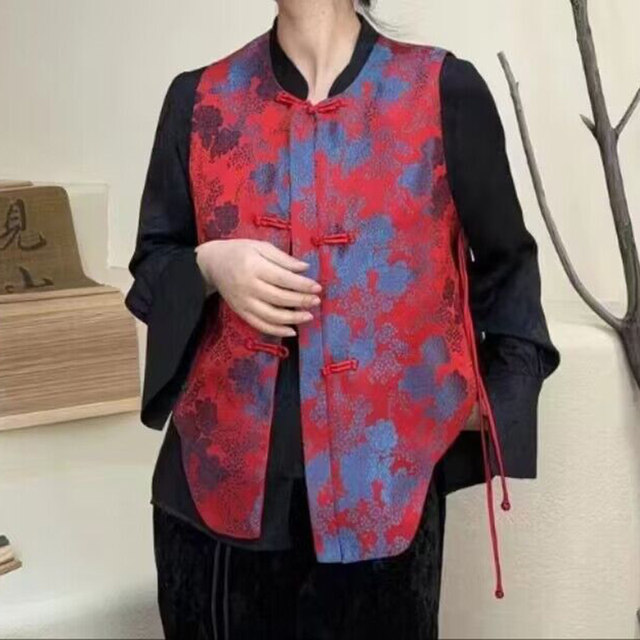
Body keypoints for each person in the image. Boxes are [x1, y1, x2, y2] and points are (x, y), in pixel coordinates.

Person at [124, 1, 561, 638]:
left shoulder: (441, 90)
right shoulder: (198, 97)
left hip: (385, 510)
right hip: (213, 505)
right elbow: (152, 265)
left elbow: (509, 267)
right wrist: (210, 266)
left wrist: (488, 407)